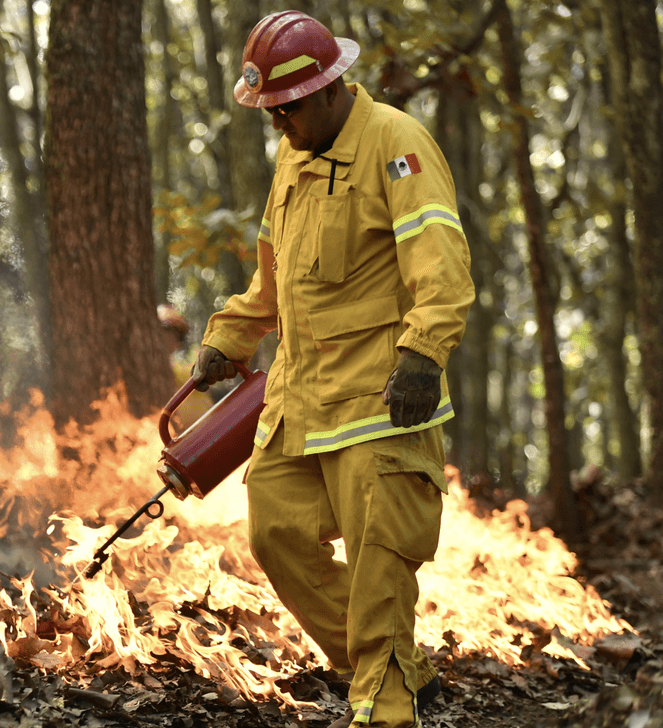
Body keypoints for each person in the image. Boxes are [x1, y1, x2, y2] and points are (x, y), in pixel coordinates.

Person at [190, 11, 475, 728]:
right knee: (274, 534)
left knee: (380, 575)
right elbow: (273, 279)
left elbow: (441, 270)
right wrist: (231, 336)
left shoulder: (397, 145)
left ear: (328, 88)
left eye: (287, 109)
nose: (278, 125)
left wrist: (424, 354)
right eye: (270, 113)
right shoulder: (294, 156)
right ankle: (394, 666)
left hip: (381, 403)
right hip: (301, 401)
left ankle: (384, 706)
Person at [157, 304, 214, 430]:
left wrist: (166, 365)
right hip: (175, 435)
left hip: (205, 427)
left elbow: (194, 374)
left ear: (179, 334)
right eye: (163, 332)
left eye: (171, 332)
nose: (167, 337)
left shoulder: (193, 352)